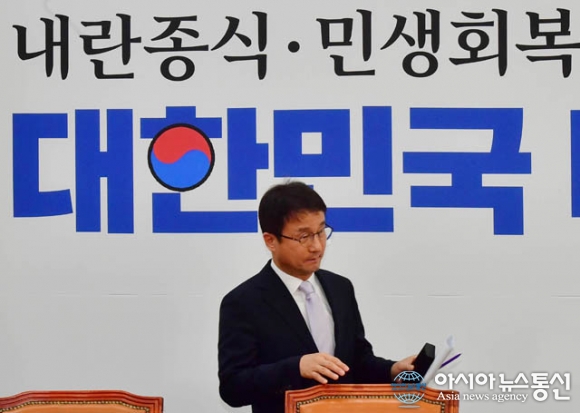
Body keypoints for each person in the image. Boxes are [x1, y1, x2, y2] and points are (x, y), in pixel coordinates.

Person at [218, 181, 415, 413]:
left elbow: (356, 361)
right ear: (270, 240)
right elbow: (233, 387)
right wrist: (295, 368)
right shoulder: (243, 302)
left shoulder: (340, 288)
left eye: (321, 232)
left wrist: (392, 370)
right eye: (303, 237)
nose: (317, 246)